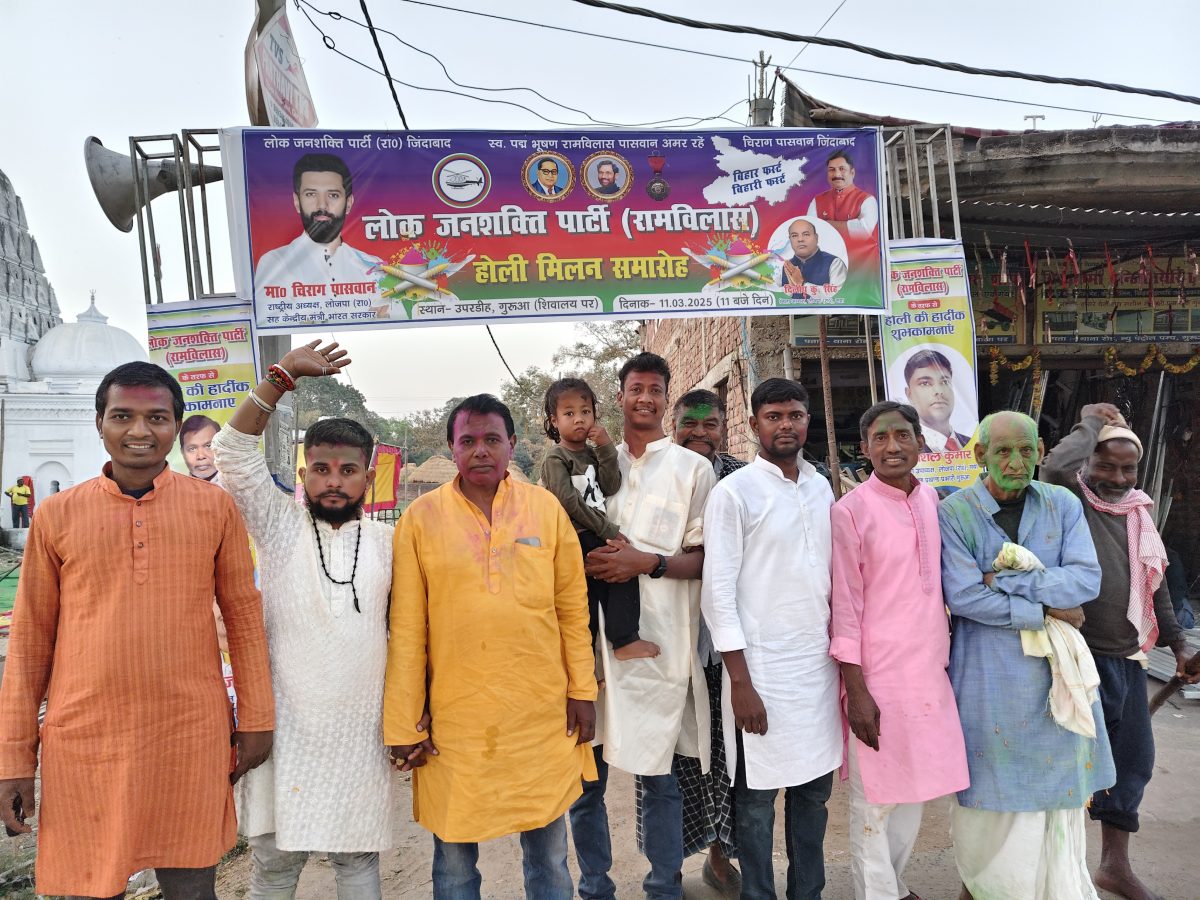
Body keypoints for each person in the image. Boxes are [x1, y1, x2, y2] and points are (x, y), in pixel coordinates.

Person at [0, 361, 274, 900]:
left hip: (188, 734)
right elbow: (30, 641)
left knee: (192, 884)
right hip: (86, 739)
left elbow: (244, 617)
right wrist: (13, 757)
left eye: (157, 417)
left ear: (176, 426)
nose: (140, 431)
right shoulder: (57, 514)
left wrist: (257, 718)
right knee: (89, 885)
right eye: (122, 416)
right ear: (99, 423)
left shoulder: (213, 507)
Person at [385, 394, 597, 900]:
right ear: (452, 448)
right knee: (455, 860)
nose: (480, 450)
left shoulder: (545, 510)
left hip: (539, 715)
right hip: (455, 721)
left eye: (492, 439)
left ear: (512, 445)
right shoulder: (420, 519)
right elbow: (408, 629)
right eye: (468, 440)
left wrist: (583, 690)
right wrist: (403, 722)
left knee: (548, 855)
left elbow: (572, 610)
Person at [213, 340, 394, 898]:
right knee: (274, 865)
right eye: (321, 469)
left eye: (348, 470)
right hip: (284, 732)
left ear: (368, 476)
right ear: (302, 473)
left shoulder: (391, 543)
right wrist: (281, 376)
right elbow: (232, 452)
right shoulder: (278, 525)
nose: (333, 480)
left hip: (361, 734)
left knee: (357, 861)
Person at [938, 411, 1115, 900]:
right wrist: (1046, 609)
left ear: (1040, 452)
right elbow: (964, 596)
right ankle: (982, 887)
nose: (1015, 462)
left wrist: (1004, 580)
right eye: (1002, 451)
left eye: (1025, 450)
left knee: (1053, 792)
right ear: (980, 456)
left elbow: (1086, 581)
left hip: (1056, 673)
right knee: (988, 796)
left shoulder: (1062, 503)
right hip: (987, 675)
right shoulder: (955, 512)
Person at [569, 352, 716, 900]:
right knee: (586, 782)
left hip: (659, 648)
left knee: (660, 779)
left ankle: (663, 888)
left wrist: (645, 562)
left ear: (665, 398)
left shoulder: (692, 469)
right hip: (590, 649)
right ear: (621, 396)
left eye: (655, 389)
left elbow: (704, 560)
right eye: (636, 389)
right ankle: (595, 889)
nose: (646, 398)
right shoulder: (586, 466)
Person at [1040, 403, 1199, 900]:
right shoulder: (1072, 501)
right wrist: (1090, 421)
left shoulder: (1138, 512)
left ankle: (1114, 866)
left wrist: (1178, 643)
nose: (1116, 477)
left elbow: (1156, 584)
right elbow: (1055, 466)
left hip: (1127, 659)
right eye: (1105, 465)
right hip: (1077, 657)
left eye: (1127, 468)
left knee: (1133, 763)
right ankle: (1049, 870)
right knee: (1066, 765)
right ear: (1088, 462)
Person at [701, 378, 841, 900]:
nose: (786, 425)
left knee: (814, 798)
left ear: (808, 420)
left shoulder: (821, 487)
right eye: (774, 416)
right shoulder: (733, 493)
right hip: (760, 673)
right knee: (756, 803)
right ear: (753, 423)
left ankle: (809, 893)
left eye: (795, 415)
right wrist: (740, 683)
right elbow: (717, 594)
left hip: (816, 670)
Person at [830, 401, 970, 900]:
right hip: (877, 678)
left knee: (915, 789)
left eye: (902, 435)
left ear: (920, 442)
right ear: (864, 448)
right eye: (880, 438)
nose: (892, 446)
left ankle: (897, 883)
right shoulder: (850, 511)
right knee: (875, 801)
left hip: (929, 673)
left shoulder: (935, 502)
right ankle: (878, 893)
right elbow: (844, 607)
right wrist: (856, 690)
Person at [648, 388, 744, 893]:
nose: (700, 432)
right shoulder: (654, 476)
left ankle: (720, 860)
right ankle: (664, 874)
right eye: (690, 422)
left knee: (726, 764)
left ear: (725, 428)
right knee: (667, 763)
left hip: (727, 648)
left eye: (711, 424)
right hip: (664, 641)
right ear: (673, 423)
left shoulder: (742, 480)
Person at [541, 377, 658, 661]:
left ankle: (619, 644)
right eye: (569, 413)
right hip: (575, 537)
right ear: (554, 421)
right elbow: (568, 502)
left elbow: (610, 485)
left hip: (594, 533)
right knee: (591, 595)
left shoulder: (591, 454)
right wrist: (608, 530)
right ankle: (608, 650)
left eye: (585, 411)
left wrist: (605, 447)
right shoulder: (556, 458)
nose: (579, 419)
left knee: (613, 581)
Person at [253, 153, 384, 305]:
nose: (322, 205)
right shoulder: (275, 263)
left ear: (348, 203)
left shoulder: (372, 266)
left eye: (333, 195)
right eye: (311, 194)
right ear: (297, 202)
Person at [903, 349, 971, 452]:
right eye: (925, 383)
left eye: (944, 382)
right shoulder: (907, 450)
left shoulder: (972, 443)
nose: (939, 391)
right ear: (909, 394)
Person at [805, 150, 880, 244]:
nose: (837, 174)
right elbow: (809, 230)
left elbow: (863, 231)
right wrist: (850, 226)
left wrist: (825, 224)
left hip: (857, 253)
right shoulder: (817, 200)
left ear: (852, 173)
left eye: (842, 169)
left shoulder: (867, 200)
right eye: (832, 169)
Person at [780, 218, 848, 299]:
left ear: (816, 237)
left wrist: (802, 284)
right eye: (794, 235)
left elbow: (840, 296)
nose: (800, 239)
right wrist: (790, 290)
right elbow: (782, 299)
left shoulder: (835, 263)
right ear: (790, 240)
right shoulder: (788, 266)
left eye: (806, 234)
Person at [180, 413, 220, 481]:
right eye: (192, 449)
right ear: (183, 453)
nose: (201, 456)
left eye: (208, 446)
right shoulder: (175, 486)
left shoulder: (237, 483)